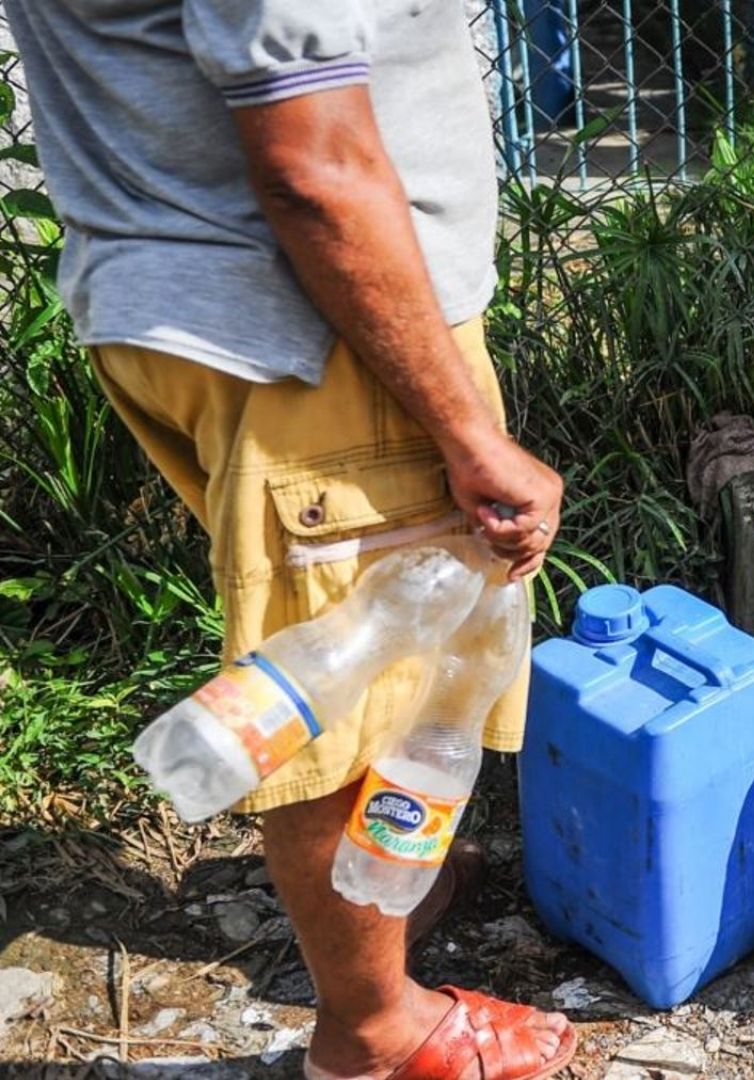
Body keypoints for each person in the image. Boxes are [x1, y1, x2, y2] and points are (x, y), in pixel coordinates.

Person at [5, 2, 574, 1076]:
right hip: (312, 322)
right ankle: (372, 1030)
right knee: (342, 687)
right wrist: (466, 429)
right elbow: (313, 163)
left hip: (190, 291)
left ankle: (389, 897)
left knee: (366, 654)